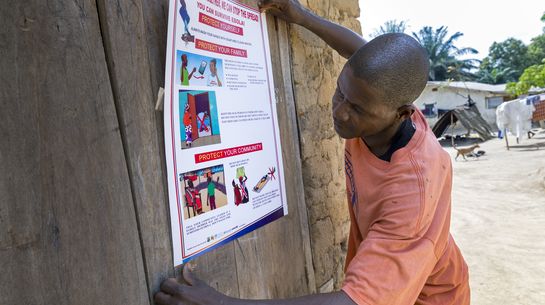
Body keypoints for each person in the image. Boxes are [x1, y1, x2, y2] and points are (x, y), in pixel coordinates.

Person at [155, 1, 470, 304]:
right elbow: (359, 54)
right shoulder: (382, 94)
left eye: (357, 108)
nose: (341, 112)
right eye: (340, 92)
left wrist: (219, 304)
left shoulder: (412, 192)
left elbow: (355, 302)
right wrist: (301, 15)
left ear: (401, 113)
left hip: (427, 297)